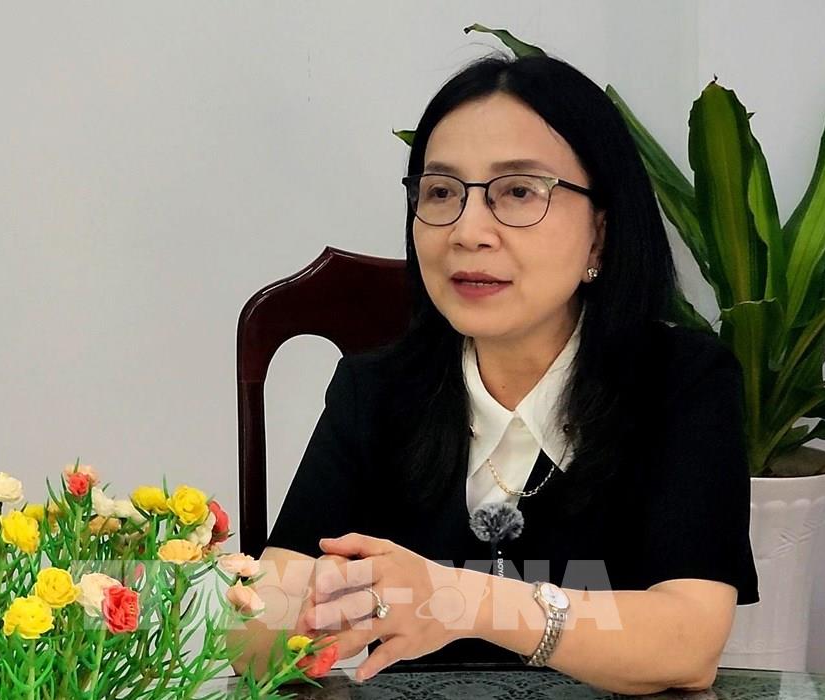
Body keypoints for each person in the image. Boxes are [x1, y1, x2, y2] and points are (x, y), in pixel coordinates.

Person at [228, 53, 759, 695]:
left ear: (600, 234)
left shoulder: (682, 382)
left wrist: (463, 601)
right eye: (442, 192)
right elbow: (254, 641)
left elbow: (688, 644)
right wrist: (301, 612)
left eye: (519, 192)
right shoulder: (377, 390)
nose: (468, 231)